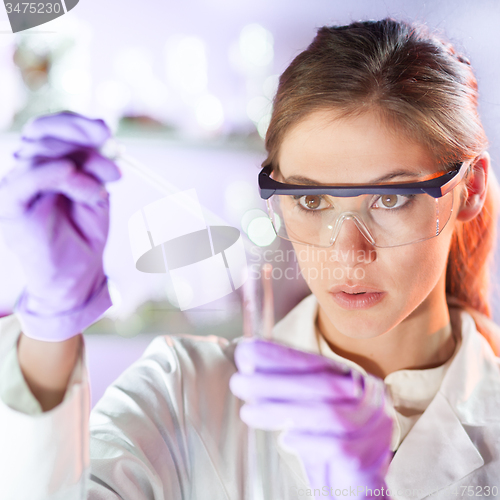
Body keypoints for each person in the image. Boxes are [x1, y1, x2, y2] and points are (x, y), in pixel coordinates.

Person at [1, 17, 500, 500]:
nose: (347, 255)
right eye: (310, 200)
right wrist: (51, 325)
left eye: (390, 199)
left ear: (470, 189)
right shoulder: (182, 392)